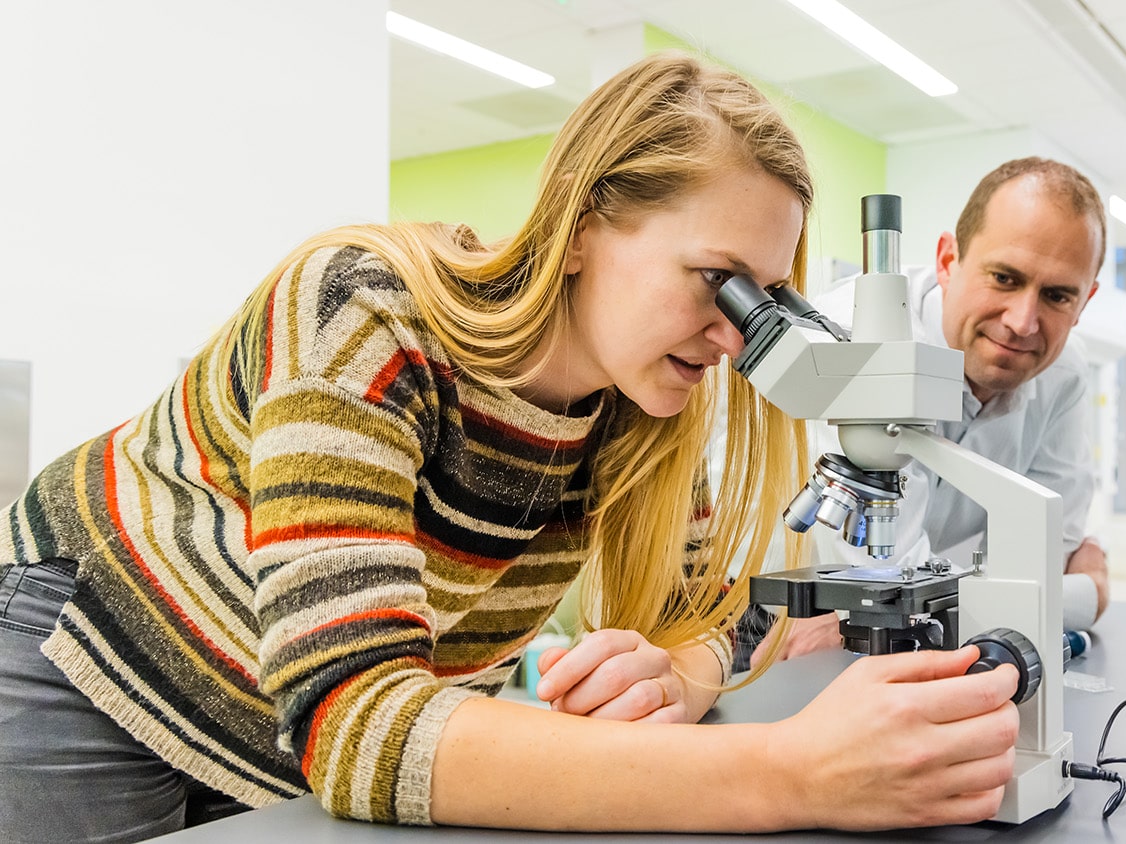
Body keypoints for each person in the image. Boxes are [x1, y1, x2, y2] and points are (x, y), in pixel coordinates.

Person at [0, 53, 1020, 842]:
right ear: (581, 228)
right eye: (717, 280)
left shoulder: (640, 403)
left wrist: (678, 674)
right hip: (87, 653)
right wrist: (793, 774)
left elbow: (722, 617)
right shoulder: (364, 306)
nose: (733, 333)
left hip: (276, 726)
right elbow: (354, 725)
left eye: (764, 300)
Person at [751, 157, 1111, 667]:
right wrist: (1087, 594)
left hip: (895, 628)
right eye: (1005, 278)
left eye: (1057, 295)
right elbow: (886, 573)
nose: (1022, 321)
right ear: (947, 260)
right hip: (773, 624)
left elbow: (1040, 560)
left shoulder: (1064, 376)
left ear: (1084, 302)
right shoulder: (853, 339)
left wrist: (1048, 595)